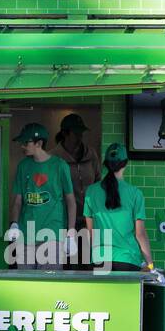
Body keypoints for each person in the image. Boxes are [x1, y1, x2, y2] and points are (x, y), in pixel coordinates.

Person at [7, 122, 75, 268]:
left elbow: (71, 201)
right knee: (25, 286)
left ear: (39, 143)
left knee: (49, 285)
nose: (22, 146)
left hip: (53, 235)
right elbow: (18, 200)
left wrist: (71, 233)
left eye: (26, 142)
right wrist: (14, 223)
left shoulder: (60, 166)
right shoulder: (23, 166)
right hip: (25, 235)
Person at [82, 143, 156, 273]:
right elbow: (140, 234)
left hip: (99, 259)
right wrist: (150, 264)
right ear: (125, 163)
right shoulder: (135, 193)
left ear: (105, 164)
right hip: (127, 259)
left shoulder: (91, 192)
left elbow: (90, 233)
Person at [52, 113, 102, 268]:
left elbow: (98, 182)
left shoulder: (91, 154)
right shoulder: (54, 158)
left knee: (87, 264)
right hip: (65, 221)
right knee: (66, 263)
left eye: (81, 132)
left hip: (88, 219)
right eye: (76, 132)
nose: (80, 136)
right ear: (65, 133)